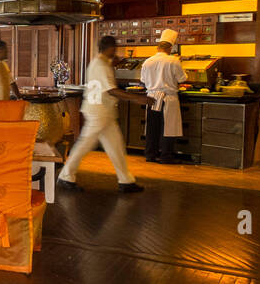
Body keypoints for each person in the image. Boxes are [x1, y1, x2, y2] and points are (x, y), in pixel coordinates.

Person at [58, 36, 146, 193]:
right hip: (98, 112)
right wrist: (138, 98)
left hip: (104, 112)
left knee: (116, 147)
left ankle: (125, 180)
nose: (116, 51)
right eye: (115, 48)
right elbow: (111, 90)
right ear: (110, 48)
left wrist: (114, 64)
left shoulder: (102, 63)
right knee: (85, 145)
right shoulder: (100, 65)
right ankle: (66, 176)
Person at [139, 29, 186, 164]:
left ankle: (150, 155)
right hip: (168, 98)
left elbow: (143, 79)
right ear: (170, 47)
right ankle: (166, 156)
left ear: (158, 47)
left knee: (152, 127)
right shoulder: (173, 60)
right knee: (168, 127)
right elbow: (182, 79)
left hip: (152, 97)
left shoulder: (147, 61)